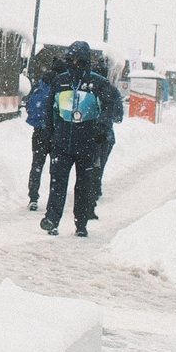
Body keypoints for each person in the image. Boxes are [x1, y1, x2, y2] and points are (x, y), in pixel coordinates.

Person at [39, 41, 123, 238]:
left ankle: (81, 223)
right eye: (72, 59)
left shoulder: (98, 83)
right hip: (62, 142)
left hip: (88, 144)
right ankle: (52, 218)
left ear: (86, 61)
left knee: (84, 186)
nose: (75, 63)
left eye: (79, 60)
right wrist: (48, 133)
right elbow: (51, 109)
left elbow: (109, 107)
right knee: (57, 183)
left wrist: (101, 128)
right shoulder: (60, 81)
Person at [25, 71, 54, 211]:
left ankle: (33, 197)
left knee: (37, 165)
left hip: (38, 133)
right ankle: (54, 199)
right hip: (55, 134)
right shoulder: (60, 87)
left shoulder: (38, 87)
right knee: (55, 169)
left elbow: (29, 108)